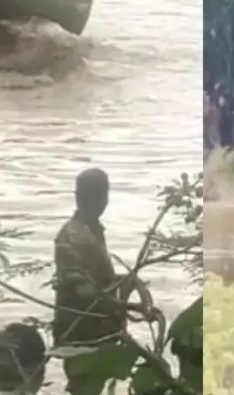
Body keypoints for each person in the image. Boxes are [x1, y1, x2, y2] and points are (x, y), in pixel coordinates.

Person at [53, 168, 133, 392]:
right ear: (79, 196)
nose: (101, 201)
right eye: (95, 194)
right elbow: (84, 291)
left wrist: (125, 281)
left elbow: (97, 279)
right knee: (84, 386)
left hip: (98, 331)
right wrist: (125, 304)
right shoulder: (72, 237)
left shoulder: (93, 230)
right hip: (81, 334)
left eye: (102, 194)